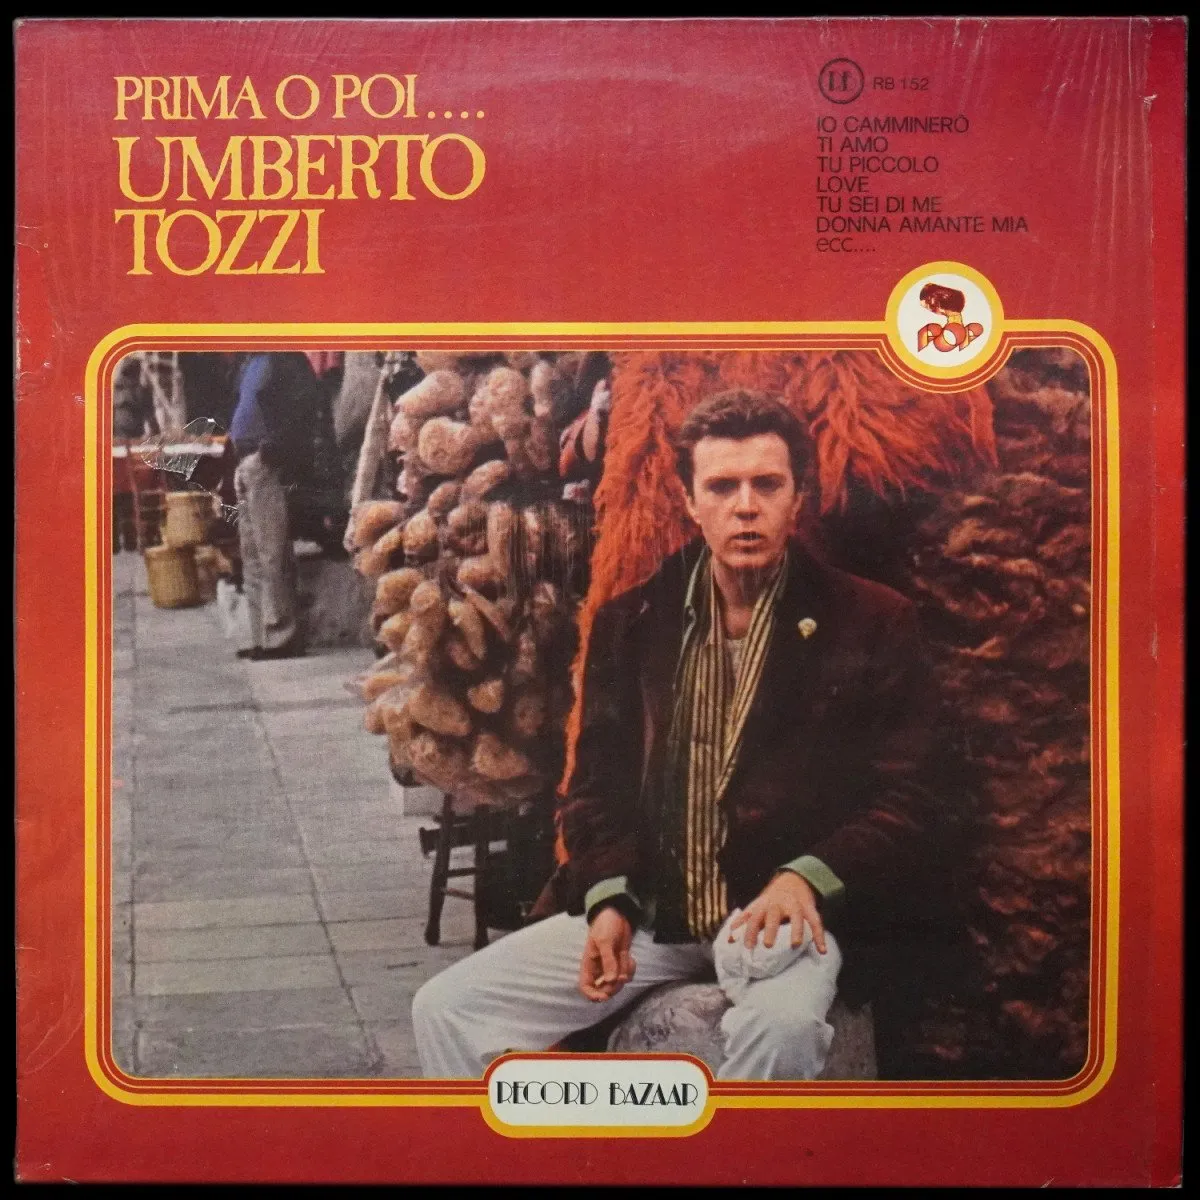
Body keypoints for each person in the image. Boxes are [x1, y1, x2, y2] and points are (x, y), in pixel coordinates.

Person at [412, 389, 938, 1079]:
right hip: (656, 914)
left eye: (766, 485)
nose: (744, 507)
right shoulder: (633, 622)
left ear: (798, 499)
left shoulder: (871, 621)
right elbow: (594, 791)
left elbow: (913, 797)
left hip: (783, 920)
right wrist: (609, 901)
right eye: (722, 487)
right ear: (691, 501)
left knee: (782, 1029)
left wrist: (806, 878)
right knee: (447, 1006)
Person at [229, 351, 319, 661]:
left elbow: (301, 408)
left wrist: (271, 451)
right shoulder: (252, 360)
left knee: (272, 551)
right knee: (252, 553)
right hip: (246, 461)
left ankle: (283, 636)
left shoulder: (287, 359)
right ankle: (261, 635)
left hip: (264, 462)